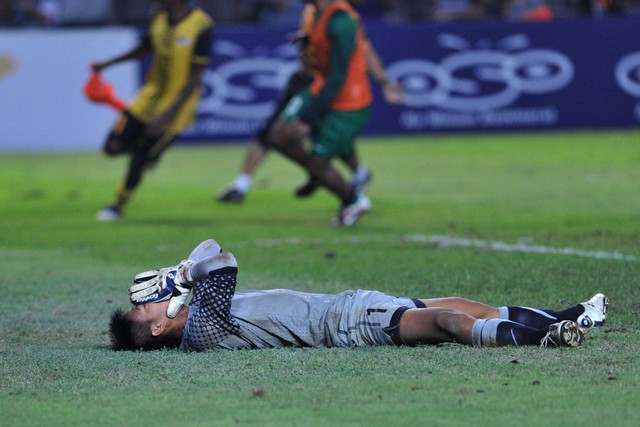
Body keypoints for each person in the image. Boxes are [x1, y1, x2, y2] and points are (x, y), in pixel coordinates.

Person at [109, 238, 609, 351]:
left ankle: (571, 318)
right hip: (343, 322)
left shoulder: (195, 318)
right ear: (156, 325)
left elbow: (208, 248)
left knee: (467, 305)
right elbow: (222, 261)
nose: (149, 297)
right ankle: (548, 338)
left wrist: (178, 273)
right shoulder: (199, 329)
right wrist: (180, 281)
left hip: (345, 305)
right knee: (451, 322)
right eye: (144, 304)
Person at [217, 1, 403, 204]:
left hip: (328, 88)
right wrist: (308, 41)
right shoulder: (313, 11)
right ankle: (342, 176)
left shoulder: (342, 18)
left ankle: (336, 180)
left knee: (317, 140)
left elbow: (362, 50)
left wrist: (384, 82)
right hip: (310, 82)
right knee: (281, 133)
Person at [92, 0, 214, 221]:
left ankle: (117, 206)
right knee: (112, 147)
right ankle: (147, 152)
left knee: (138, 159)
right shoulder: (157, 17)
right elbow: (146, 48)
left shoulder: (201, 26)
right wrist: (107, 64)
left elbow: (195, 77)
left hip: (177, 108)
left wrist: (166, 115)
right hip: (147, 98)